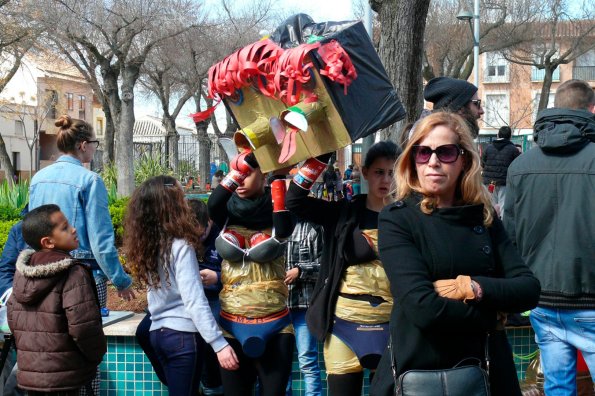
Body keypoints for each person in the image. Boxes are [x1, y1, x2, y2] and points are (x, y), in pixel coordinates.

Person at [372, 112, 540, 396]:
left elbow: (528, 289)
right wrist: (492, 315)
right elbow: (423, 308)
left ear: (464, 160)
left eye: (446, 152)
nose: (433, 161)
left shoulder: (483, 216)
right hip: (421, 370)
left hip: (489, 370)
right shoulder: (397, 219)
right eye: (423, 152)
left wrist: (472, 287)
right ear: (412, 160)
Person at [503, 79, 595, 395]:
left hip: (542, 300)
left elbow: (510, 236)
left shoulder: (521, 166)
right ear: (591, 110)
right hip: (588, 296)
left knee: (556, 387)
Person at [286, 141, 399, 396]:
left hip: (393, 327)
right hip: (343, 326)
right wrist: (323, 152)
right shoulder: (344, 213)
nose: (386, 179)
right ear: (366, 172)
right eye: (379, 172)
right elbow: (295, 201)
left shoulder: (408, 217)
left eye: (392, 172)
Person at [123, 176, 238, 395]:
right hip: (182, 337)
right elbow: (194, 300)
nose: (186, 202)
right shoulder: (180, 245)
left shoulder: (151, 245)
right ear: (172, 204)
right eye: (181, 197)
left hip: (159, 334)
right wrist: (218, 344)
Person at [207, 150, 295, 396]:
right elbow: (213, 203)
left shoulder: (280, 206)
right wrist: (241, 167)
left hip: (275, 326)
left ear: (263, 172)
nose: (241, 179)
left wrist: (277, 175)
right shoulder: (227, 210)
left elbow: (284, 227)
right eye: (237, 172)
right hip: (232, 325)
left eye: (248, 172)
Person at [28, 115, 135, 305]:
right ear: (83, 145)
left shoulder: (38, 178)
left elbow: (31, 228)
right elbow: (100, 240)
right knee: (88, 330)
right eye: (95, 143)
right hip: (83, 273)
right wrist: (120, 280)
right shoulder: (90, 180)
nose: (96, 147)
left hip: (43, 271)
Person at [7, 204, 106, 395]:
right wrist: (96, 355)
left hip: (31, 377)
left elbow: (14, 322)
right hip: (65, 377)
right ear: (48, 242)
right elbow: (84, 327)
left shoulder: (21, 275)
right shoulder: (74, 272)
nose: (73, 229)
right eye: (65, 228)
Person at [189, 198, 225, 396]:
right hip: (191, 295)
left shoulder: (224, 238)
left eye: (202, 233)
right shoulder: (185, 237)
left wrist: (217, 278)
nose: (199, 239)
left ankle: (213, 387)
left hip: (216, 296)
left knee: (212, 328)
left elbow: (240, 273)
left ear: (208, 221)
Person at [284, 219, 324, 396]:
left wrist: (300, 270)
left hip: (303, 307)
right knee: (281, 362)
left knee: (307, 360)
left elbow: (326, 266)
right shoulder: (272, 226)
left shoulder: (313, 228)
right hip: (277, 308)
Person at [481, 125, 520, 216]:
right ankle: (502, 225)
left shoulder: (488, 148)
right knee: (503, 204)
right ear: (510, 136)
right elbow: (517, 166)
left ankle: (492, 222)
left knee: (491, 202)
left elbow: (482, 164)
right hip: (504, 183)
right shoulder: (513, 149)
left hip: (491, 182)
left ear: (498, 135)